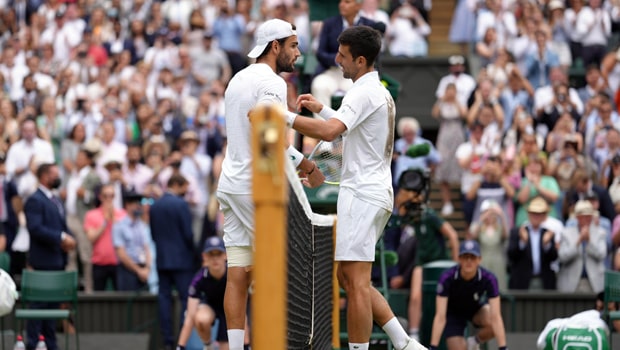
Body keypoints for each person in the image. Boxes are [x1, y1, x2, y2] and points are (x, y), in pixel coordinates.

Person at [289, 25, 425, 350]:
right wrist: (321, 109)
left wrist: (280, 117)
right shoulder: (376, 91)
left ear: (361, 61)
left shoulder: (363, 92)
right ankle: (404, 342)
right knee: (349, 278)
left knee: (356, 283)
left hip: (362, 195)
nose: (337, 61)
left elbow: (329, 133)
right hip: (372, 193)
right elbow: (348, 129)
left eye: (343, 56)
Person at [216, 19, 324, 350]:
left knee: (238, 273)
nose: (298, 52)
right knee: (282, 271)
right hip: (254, 189)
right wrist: (305, 164)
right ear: (274, 46)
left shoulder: (237, 79)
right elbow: (268, 137)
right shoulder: (272, 83)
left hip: (230, 185)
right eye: (293, 45)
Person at [24, 163, 76, 350]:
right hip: (42, 261)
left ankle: (50, 343)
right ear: (45, 176)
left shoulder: (56, 199)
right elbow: (36, 228)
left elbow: (62, 226)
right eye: (55, 174)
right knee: (38, 306)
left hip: (57, 260)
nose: (58, 178)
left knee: (53, 308)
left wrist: (70, 238)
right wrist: (61, 238)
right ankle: (34, 343)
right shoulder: (35, 200)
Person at [429, 240, 508, 350]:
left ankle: (474, 341)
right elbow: (440, 316)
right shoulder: (447, 277)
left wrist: (503, 348)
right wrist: (433, 347)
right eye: (465, 257)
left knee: (492, 320)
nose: (469, 261)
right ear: (459, 259)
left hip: (476, 309)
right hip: (453, 313)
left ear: (479, 259)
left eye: (473, 257)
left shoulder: (489, 278)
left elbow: (496, 317)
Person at [150, 174, 196, 350]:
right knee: (187, 299)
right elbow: (188, 234)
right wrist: (193, 253)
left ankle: (167, 340)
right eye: (184, 187)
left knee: (164, 298)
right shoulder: (181, 204)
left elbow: (154, 234)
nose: (186, 191)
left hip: (162, 260)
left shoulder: (155, 206)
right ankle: (182, 341)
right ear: (176, 185)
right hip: (182, 260)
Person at [176, 236, 230, 350]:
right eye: (211, 254)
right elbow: (190, 316)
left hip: (229, 310)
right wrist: (180, 347)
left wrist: (247, 345)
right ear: (205, 257)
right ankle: (208, 345)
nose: (215, 259)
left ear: (225, 255)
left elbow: (242, 312)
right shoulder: (199, 278)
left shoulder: (233, 275)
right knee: (200, 319)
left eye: (218, 254)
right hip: (210, 306)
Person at [507, 197, 558, 290]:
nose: (536, 217)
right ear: (529, 214)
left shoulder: (547, 233)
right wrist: (522, 242)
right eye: (534, 213)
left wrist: (546, 244)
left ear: (544, 216)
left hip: (543, 281)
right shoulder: (517, 232)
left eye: (539, 214)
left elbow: (554, 258)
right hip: (522, 282)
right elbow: (511, 256)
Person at [112, 192, 152, 291]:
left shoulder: (142, 226)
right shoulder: (119, 226)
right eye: (135, 203)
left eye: (139, 203)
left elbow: (147, 248)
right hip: (128, 270)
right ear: (127, 205)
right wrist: (138, 271)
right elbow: (121, 254)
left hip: (143, 268)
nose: (138, 206)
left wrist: (147, 268)